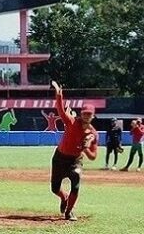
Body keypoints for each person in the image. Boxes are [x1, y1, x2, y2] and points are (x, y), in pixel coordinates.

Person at [50, 81, 98, 221]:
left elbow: (93, 156)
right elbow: (60, 110)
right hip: (59, 158)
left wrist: (86, 148)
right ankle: (64, 197)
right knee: (54, 188)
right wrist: (59, 94)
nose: (86, 116)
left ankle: (69, 211)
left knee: (75, 181)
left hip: (75, 160)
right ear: (81, 114)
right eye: (84, 113)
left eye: (89, 114)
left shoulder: (93, 133)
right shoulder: (71, 122)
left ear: (93, 116)